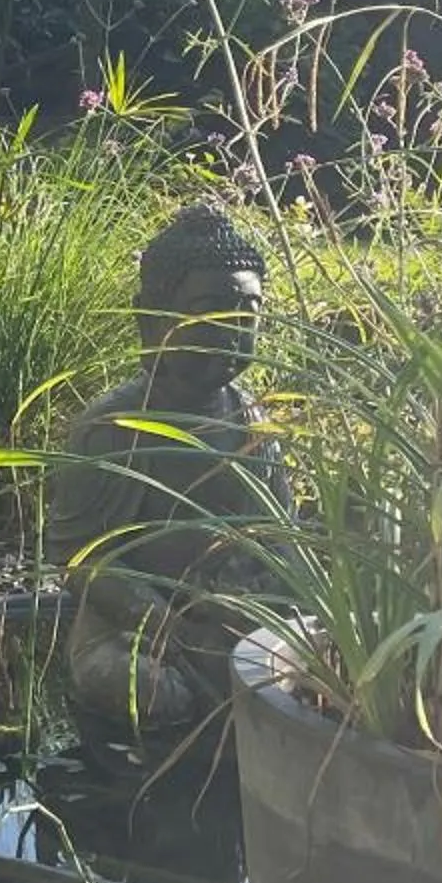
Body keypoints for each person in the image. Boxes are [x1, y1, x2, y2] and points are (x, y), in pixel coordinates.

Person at [49, 197, 293, 732]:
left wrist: (257, 595)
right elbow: (77, 557)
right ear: (150, 321)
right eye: (207, 313)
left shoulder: (249, 421)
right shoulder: (113, 426)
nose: (229, 332)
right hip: (129, 630)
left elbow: (280, 537)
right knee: (150, 692)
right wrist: (157, 616)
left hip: (232, 621)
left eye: (245, 315)